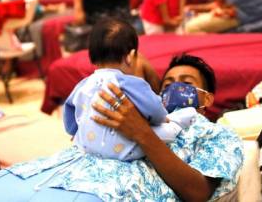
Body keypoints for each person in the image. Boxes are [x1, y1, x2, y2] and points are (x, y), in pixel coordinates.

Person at [0, 54, 243, 201]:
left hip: (106, 194)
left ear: (207, 98)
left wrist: (142, 134)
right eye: (167, 83)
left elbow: (198, 192)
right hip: (59, 178)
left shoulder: (217, 135)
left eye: (186, 83)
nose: (173, 88)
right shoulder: (141, 113)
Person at [63, 18, 192, 161]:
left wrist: (76, 130)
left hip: (88, 149)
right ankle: (184, 120)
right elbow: (156, 111)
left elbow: (69, 111)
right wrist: (163, 117)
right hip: (123, 150)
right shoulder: (130, 83)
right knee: (168, 129)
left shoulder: (83, 85)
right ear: (130, 57)